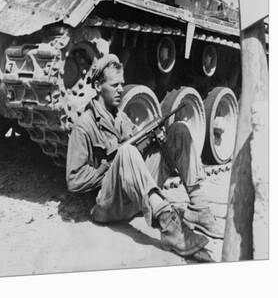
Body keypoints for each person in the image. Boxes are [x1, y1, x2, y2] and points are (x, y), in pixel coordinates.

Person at [66, 54, 224, 259]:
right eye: (114, 85)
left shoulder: (120, 118)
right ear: (97, 86)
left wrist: (153, 140)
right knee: (126, 151)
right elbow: (74, 180)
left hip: (133, 197)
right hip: (107, 205)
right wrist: (112, 163)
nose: (121, 89)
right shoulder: (84, 126)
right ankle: (171, 229)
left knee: (179, 131)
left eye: (122, 84)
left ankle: (199, 208)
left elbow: (135, 158)